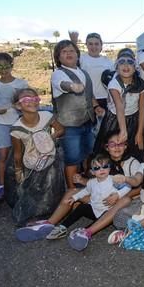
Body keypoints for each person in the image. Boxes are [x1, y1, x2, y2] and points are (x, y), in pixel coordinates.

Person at [15, 131, 140, 245]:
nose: (117, 147)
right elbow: (95, 184)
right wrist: (82, 180)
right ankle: (49, 224)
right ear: (107, 147)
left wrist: (118, 196)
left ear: (126, 146)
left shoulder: (133, 163)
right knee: (72, 192)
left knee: (126, 200)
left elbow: (140, 187)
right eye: (113, 144)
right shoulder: (103, 162)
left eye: (120, 144)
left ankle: (88, 232)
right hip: (101, 202)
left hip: (121, 205)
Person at [51, 40, 105, 188]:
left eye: (71, 51)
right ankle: (72, 191)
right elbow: (63, 84)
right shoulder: (58, 74)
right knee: (72, 159)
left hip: (88, 121)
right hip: (70, 126)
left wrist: (96, 107)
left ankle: (90, 185)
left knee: (89, 153)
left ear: (77, 55)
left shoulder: (83, 73)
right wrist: (72, 86)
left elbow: (89, 94)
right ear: (59, 57)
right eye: (64, 52)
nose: (69, 53)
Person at [9, 88, 65, 226]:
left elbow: (61, 129)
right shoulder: (16, 129)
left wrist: (48, 138)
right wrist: (18, 171)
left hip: (50, 158)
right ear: (18, 105)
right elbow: (17, 153)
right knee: (34, 189)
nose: (32, 102)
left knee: (51, 185)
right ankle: (33, 215)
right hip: (31, 162)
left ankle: (49, 212)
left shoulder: (46, 116)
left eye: (35, 99)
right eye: (26, 100)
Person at [0, 52, 28, 200]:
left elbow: (27, 102)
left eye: (6, 66)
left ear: (11, 65)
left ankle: (22, 184)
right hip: (2, 122)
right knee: (3, 155)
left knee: (20, 155)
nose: (3, 70)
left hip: (19, 122)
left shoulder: (21, 84)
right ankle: (2, 186)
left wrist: (19, 106)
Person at [94, 48, 144, 160]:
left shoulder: (141, 84)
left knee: (133, 151)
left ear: (135, 67)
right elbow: (119, 106)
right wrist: (123, 129)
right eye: (122, 62)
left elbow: (142, 108)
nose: (126, 65)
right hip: (113, 120)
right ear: (116, 68)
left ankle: (131, 175)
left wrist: (140, 132)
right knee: (109, 151)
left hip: (134, 120)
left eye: (130, 62)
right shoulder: (114, 84)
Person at [69, 31, 114, 112]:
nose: (93, 47)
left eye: (96, 44)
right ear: (86, 45)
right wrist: (73, 42)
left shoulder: (109, 62)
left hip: (105, 99)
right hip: (86, 99)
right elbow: (71, 57)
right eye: (90, 44)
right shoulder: (81, 58)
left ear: (101, 45)